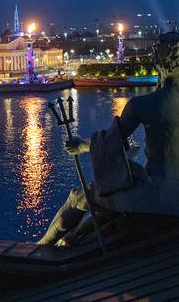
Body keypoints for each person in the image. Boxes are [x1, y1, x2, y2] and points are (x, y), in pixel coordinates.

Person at [38, 32, 179, 246]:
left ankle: (40, 249)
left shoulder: (144, 105)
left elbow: (111, 141)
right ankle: (72, 238)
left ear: (160, 63)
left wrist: (81, 146)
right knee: (116, 199)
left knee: (80, 195)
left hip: (160, 196)